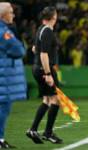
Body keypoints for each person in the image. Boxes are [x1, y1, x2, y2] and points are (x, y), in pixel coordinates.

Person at [26, 7, 62, 144]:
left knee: (47, 100)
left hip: (37, 68)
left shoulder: (41, 28)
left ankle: (33, 130)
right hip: (44, 69)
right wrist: (48, 74)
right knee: (56, 100)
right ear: (54, 16)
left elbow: (35, 48)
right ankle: (48, 133)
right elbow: (43, 53)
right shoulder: (47, 30)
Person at [0, 2, 27, 148]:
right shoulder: (3, 32)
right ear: (3, 15)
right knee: (3, 107)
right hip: (3, 76)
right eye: (11, 12)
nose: (13, 15)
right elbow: (19, 50)